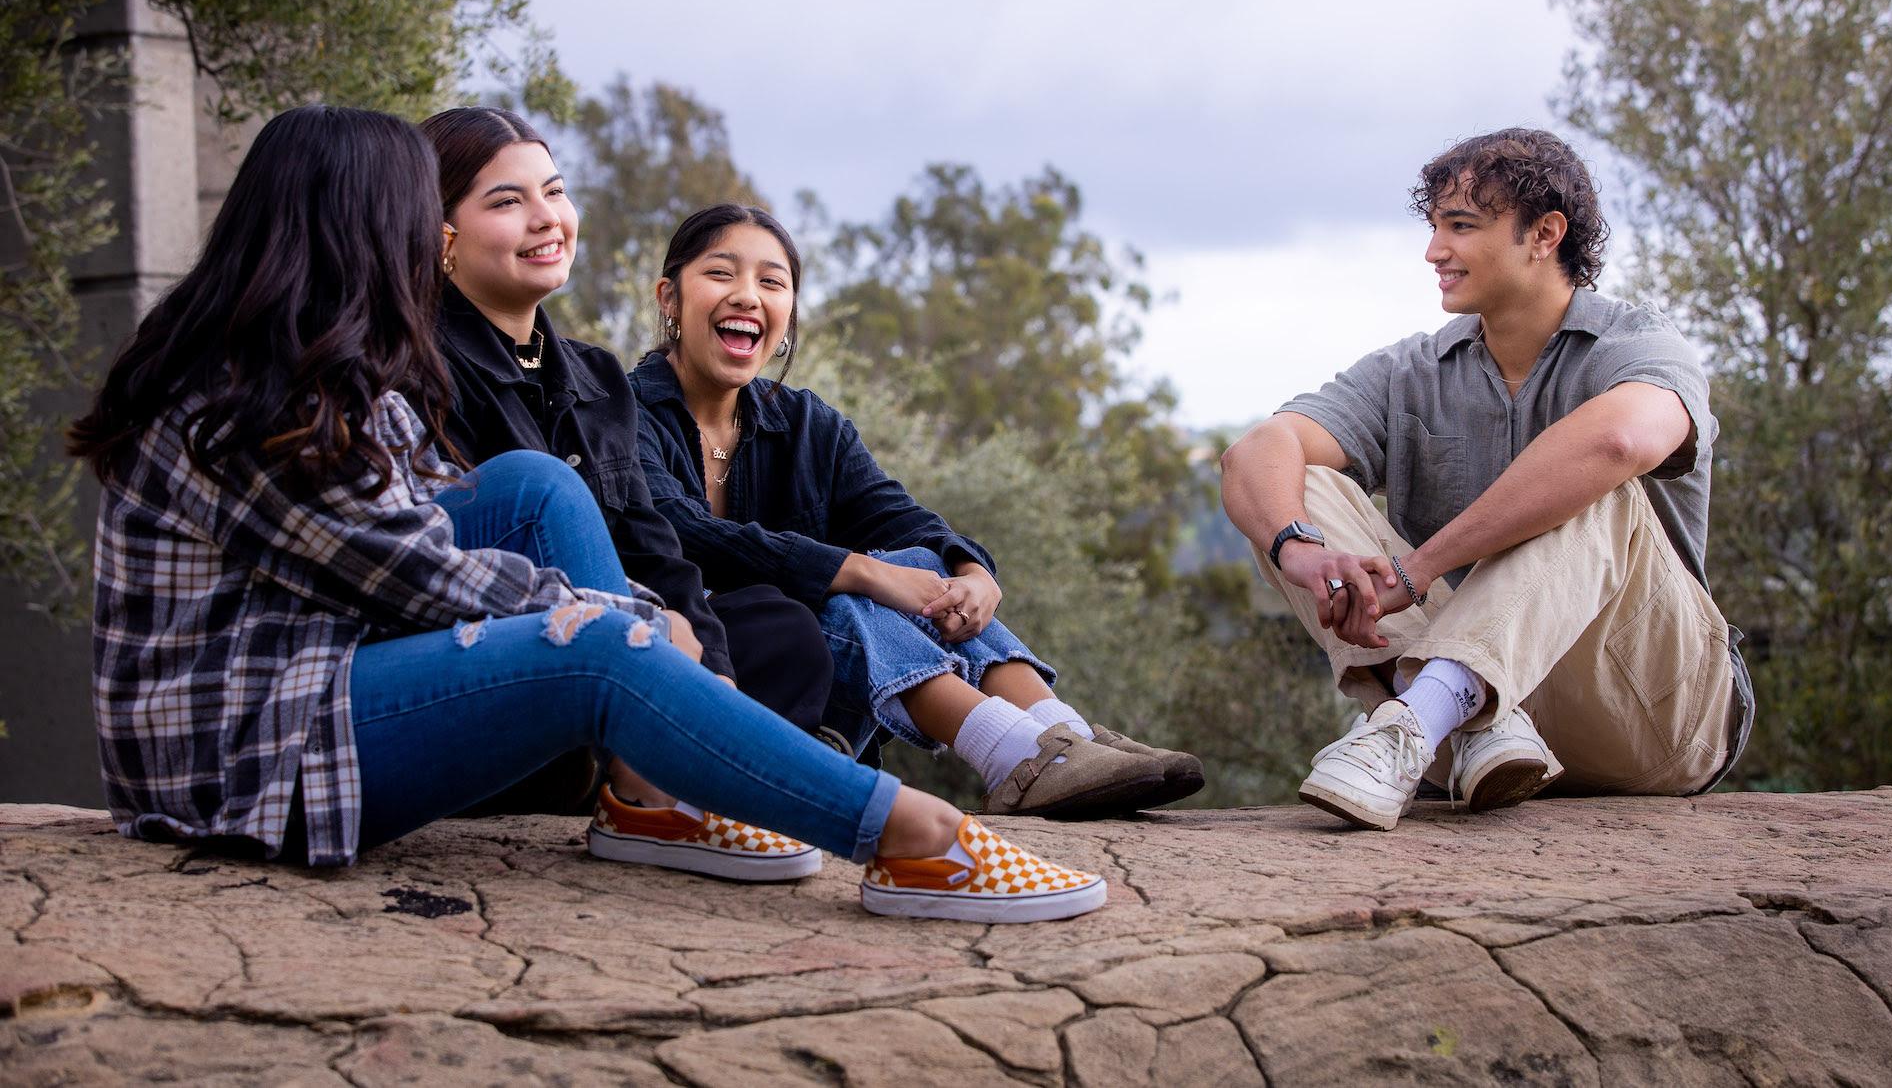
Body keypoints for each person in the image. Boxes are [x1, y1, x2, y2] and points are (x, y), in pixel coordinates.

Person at [66, 103, 1105, 923]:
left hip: (304, 682)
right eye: (407, 221)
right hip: (248, 755)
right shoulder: (251, 398)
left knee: (534, 485)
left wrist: (631, 609)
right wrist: (633, 625)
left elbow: (445, 518)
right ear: (358, 232)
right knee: (600, 648)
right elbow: (417, 575)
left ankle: (651, 793)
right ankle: (907, 834)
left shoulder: (312, 368)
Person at [1219, 127, 1754, 831]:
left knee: (1599, 477)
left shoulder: (1639, 344)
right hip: (1496, 741)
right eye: (1436, 225)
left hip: (1648, 713)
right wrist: (1299, 547)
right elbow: (1259, 449)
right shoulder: (1410, 371)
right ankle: (1458, 717)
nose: (1434, 250)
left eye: (1461, 226)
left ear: (1544, 234)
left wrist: (1423, 565)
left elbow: (1623, 437)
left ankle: (1423, 713)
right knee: (1297, 484)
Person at [630, 204, 1204, 818]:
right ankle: (1018, 756)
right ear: (670, 296)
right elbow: (678, 532)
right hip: (706, 666)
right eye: (722, 274)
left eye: (771, 283)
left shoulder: (805, 425)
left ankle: (1062, 737)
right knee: (845, 586)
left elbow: (899, 516)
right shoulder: (621, 408)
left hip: (806, 683)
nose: (747, 296)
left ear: (789, 313)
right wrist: (864, 572)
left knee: (914, 559)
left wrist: (973, 573)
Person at [419, 106, 832, 823]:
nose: (547, 218)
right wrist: (644, 618)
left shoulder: (594, 375)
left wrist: (713, 671)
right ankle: (643, 775)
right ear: (441, 234)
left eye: (554, 191)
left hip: (626, 633)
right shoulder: (417, 369)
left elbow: (655, 545)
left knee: (780, 630)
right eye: (508, 201)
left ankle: (666, 757)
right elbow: (465, 558)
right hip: (519, 644)